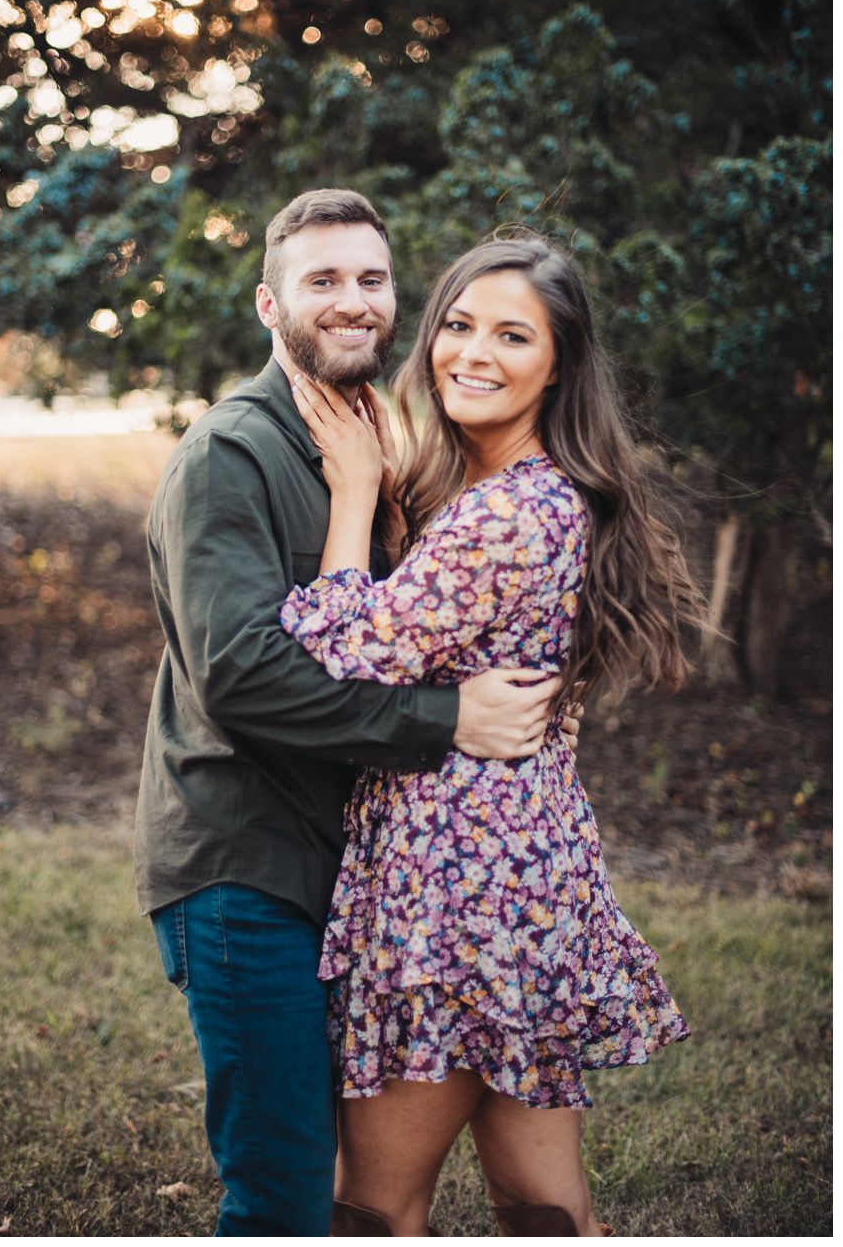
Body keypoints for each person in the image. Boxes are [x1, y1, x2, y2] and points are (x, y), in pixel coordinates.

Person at [134, 188, 582, 1237]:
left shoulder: (388, 439)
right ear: (266, 305)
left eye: (370, 279)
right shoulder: (228, 455)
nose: (351, 302)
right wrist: (446, 719)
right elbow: (241, 677)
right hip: (246, 865)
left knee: (454, 1190)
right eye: (320, 281)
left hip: (371, 872)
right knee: (290, 1191)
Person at [280, 230, 696, 1236]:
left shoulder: (504, 514)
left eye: (512, 335)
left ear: (557, 367)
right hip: (527, 878)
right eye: (457, 325)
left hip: (453, 894)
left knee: (368, 1207)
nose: (471, 352)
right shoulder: (541, 495)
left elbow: (345, 652)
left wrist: (348, 495)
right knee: (539, 1206)